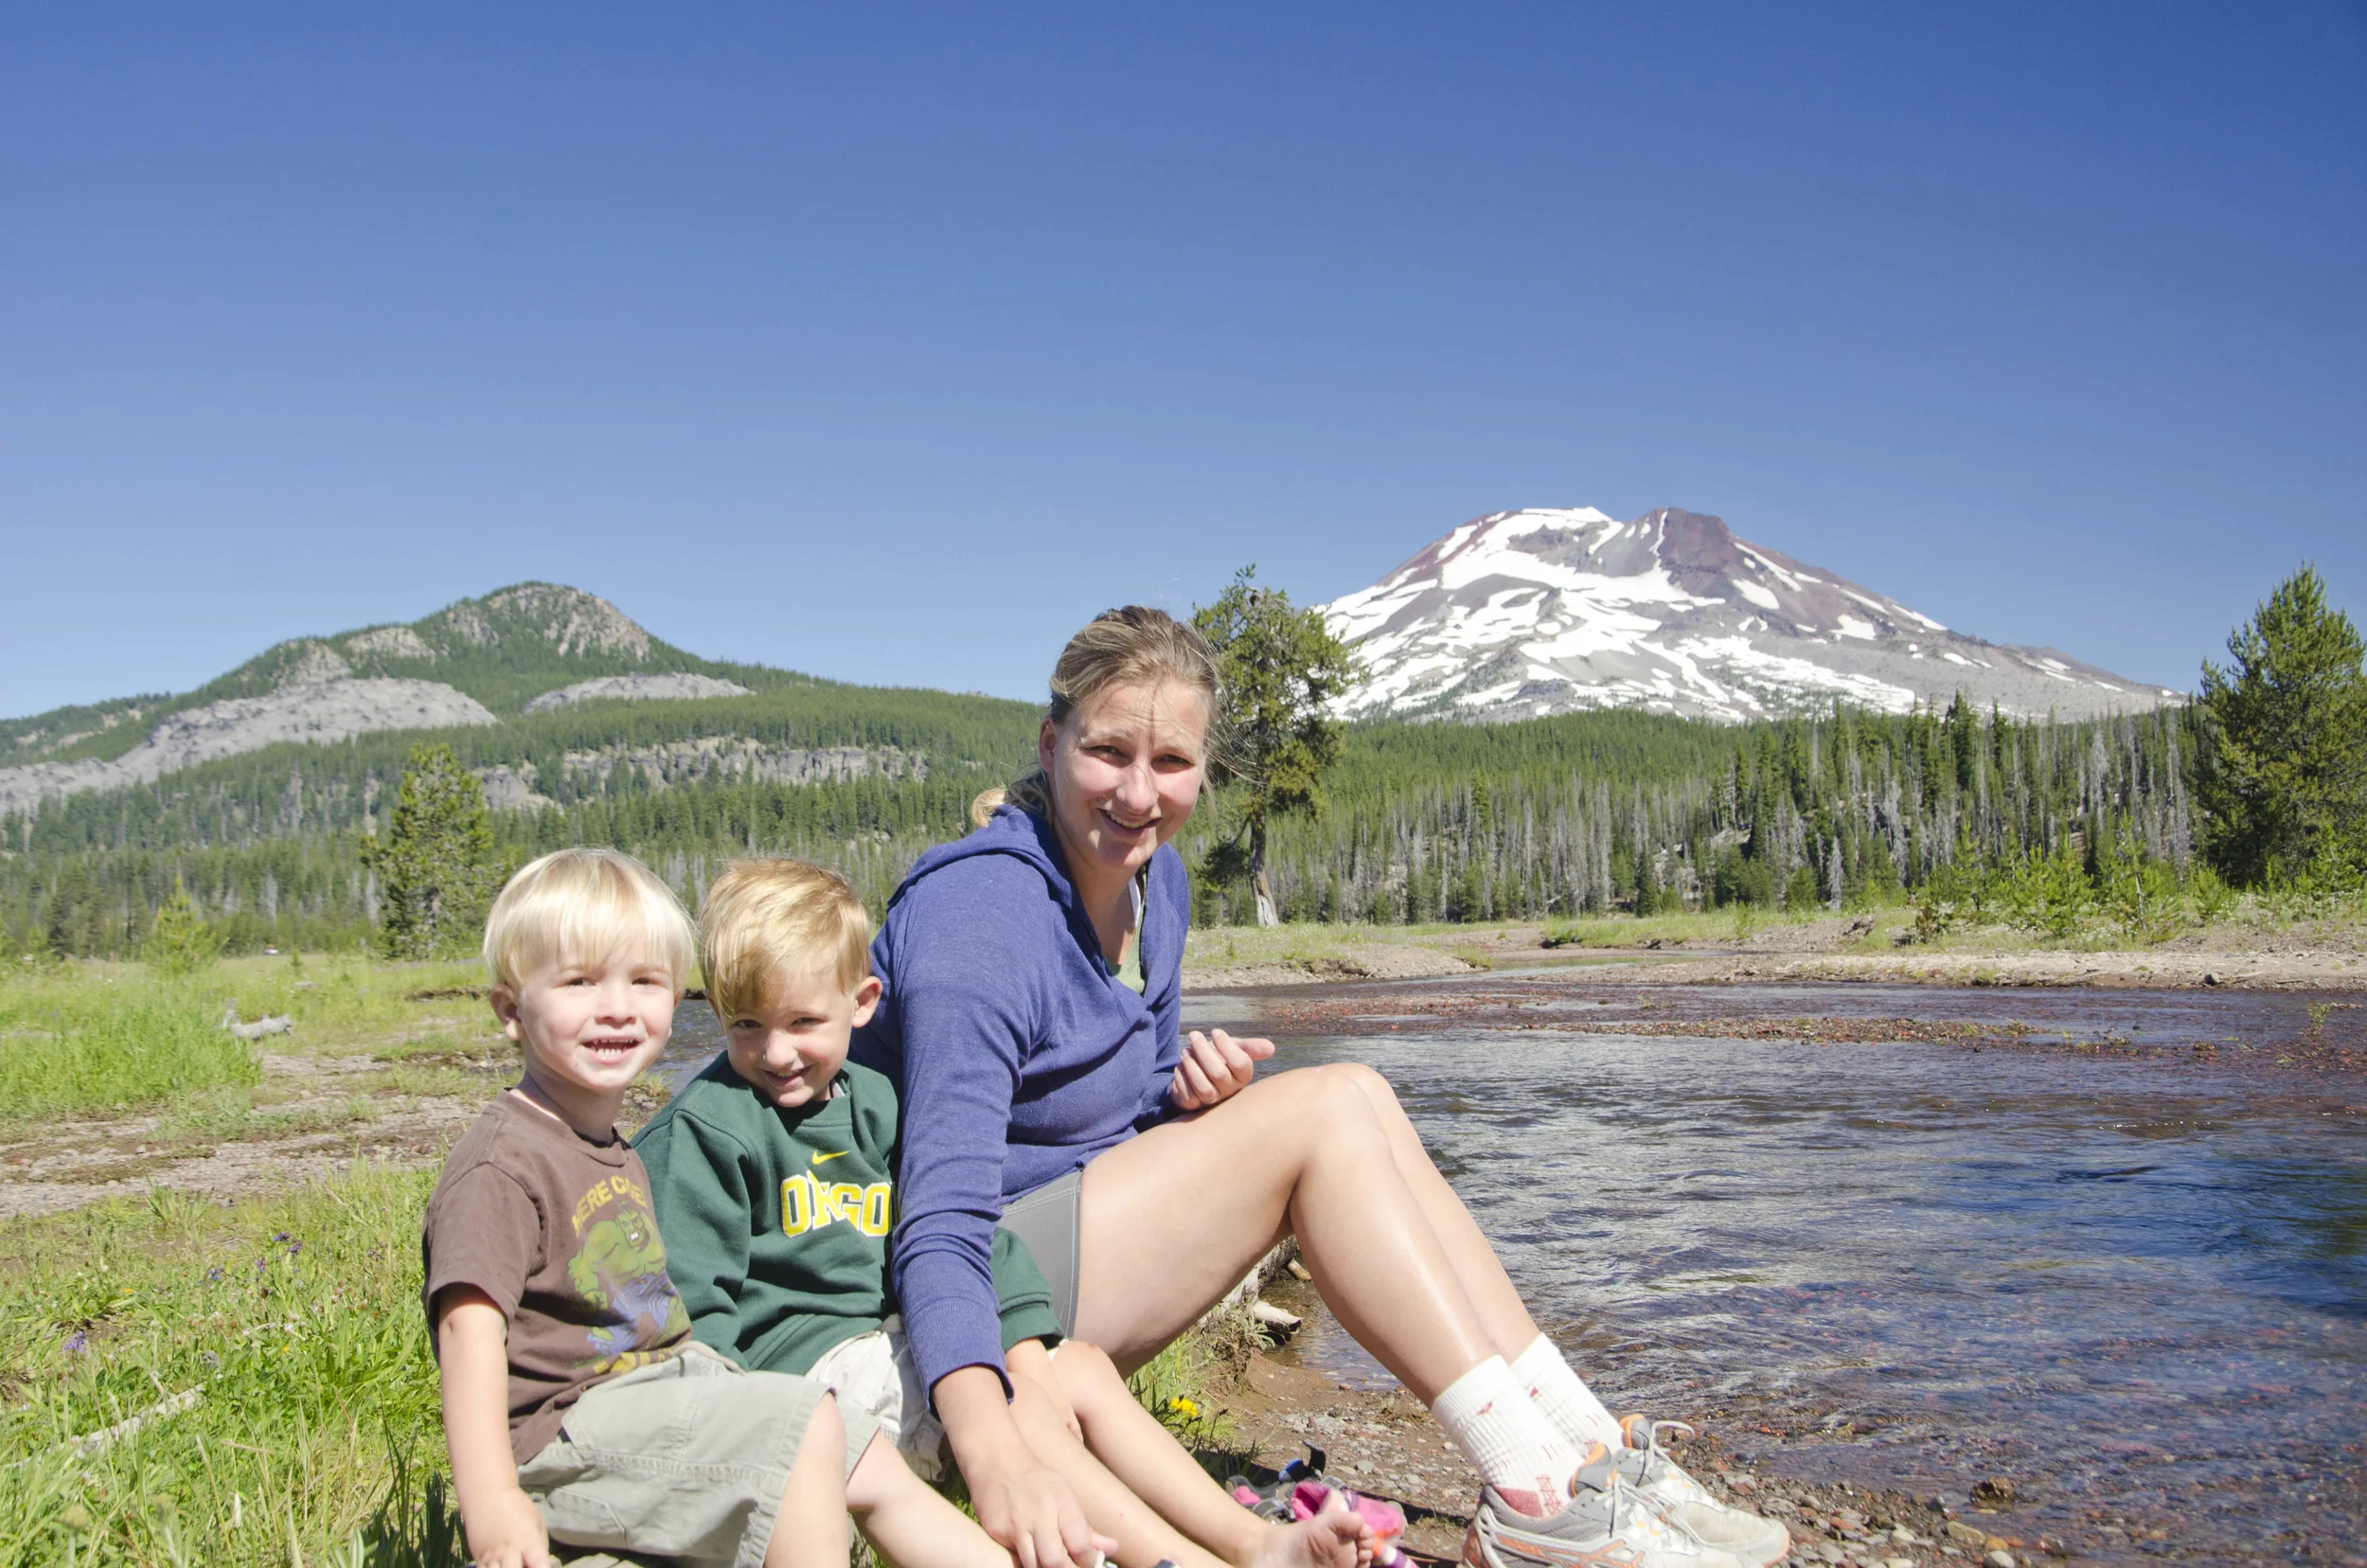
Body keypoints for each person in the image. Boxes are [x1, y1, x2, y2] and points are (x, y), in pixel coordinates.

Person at [853, 608, 1789, 1568]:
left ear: (1204, 769)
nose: (1138, 794)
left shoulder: (1154, 884)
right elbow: (937, 1223)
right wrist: (993, 1448)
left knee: (1362, 1093)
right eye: (1107, 752)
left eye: (1171, 763)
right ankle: (1531, 1496)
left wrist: (1180, 1098)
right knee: (1325, 1109)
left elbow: (1091, 1117)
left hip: (1058, 1260)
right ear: (1051, 745)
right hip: (963, 1307)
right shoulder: (981, 916)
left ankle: (1587, 1452)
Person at [636, 857, 1374, 1568]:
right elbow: (693, 1324)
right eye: (745, 1026)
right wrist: (770, 1458)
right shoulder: (707, 1130)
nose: (777, 1053)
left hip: (887, 1346)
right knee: (1018, 1405)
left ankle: (1254, 1544)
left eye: (803, 1022)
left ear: (861, 1005)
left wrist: (1024, 1342)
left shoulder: (877, 1105)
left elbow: (972, 1235)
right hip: (801, 1387)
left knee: (1076, 1368)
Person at [421, 847, 1031, 1568]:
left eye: (644, 981)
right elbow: (467, 1335)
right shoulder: (504, 1162)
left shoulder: (603, 1143)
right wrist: (492, 1506)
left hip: (652, 1399)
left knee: (848, 1440)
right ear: (510, 1011)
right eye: (580, 982)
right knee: (801, 1432)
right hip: (564, 1437)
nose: (616, 1007)